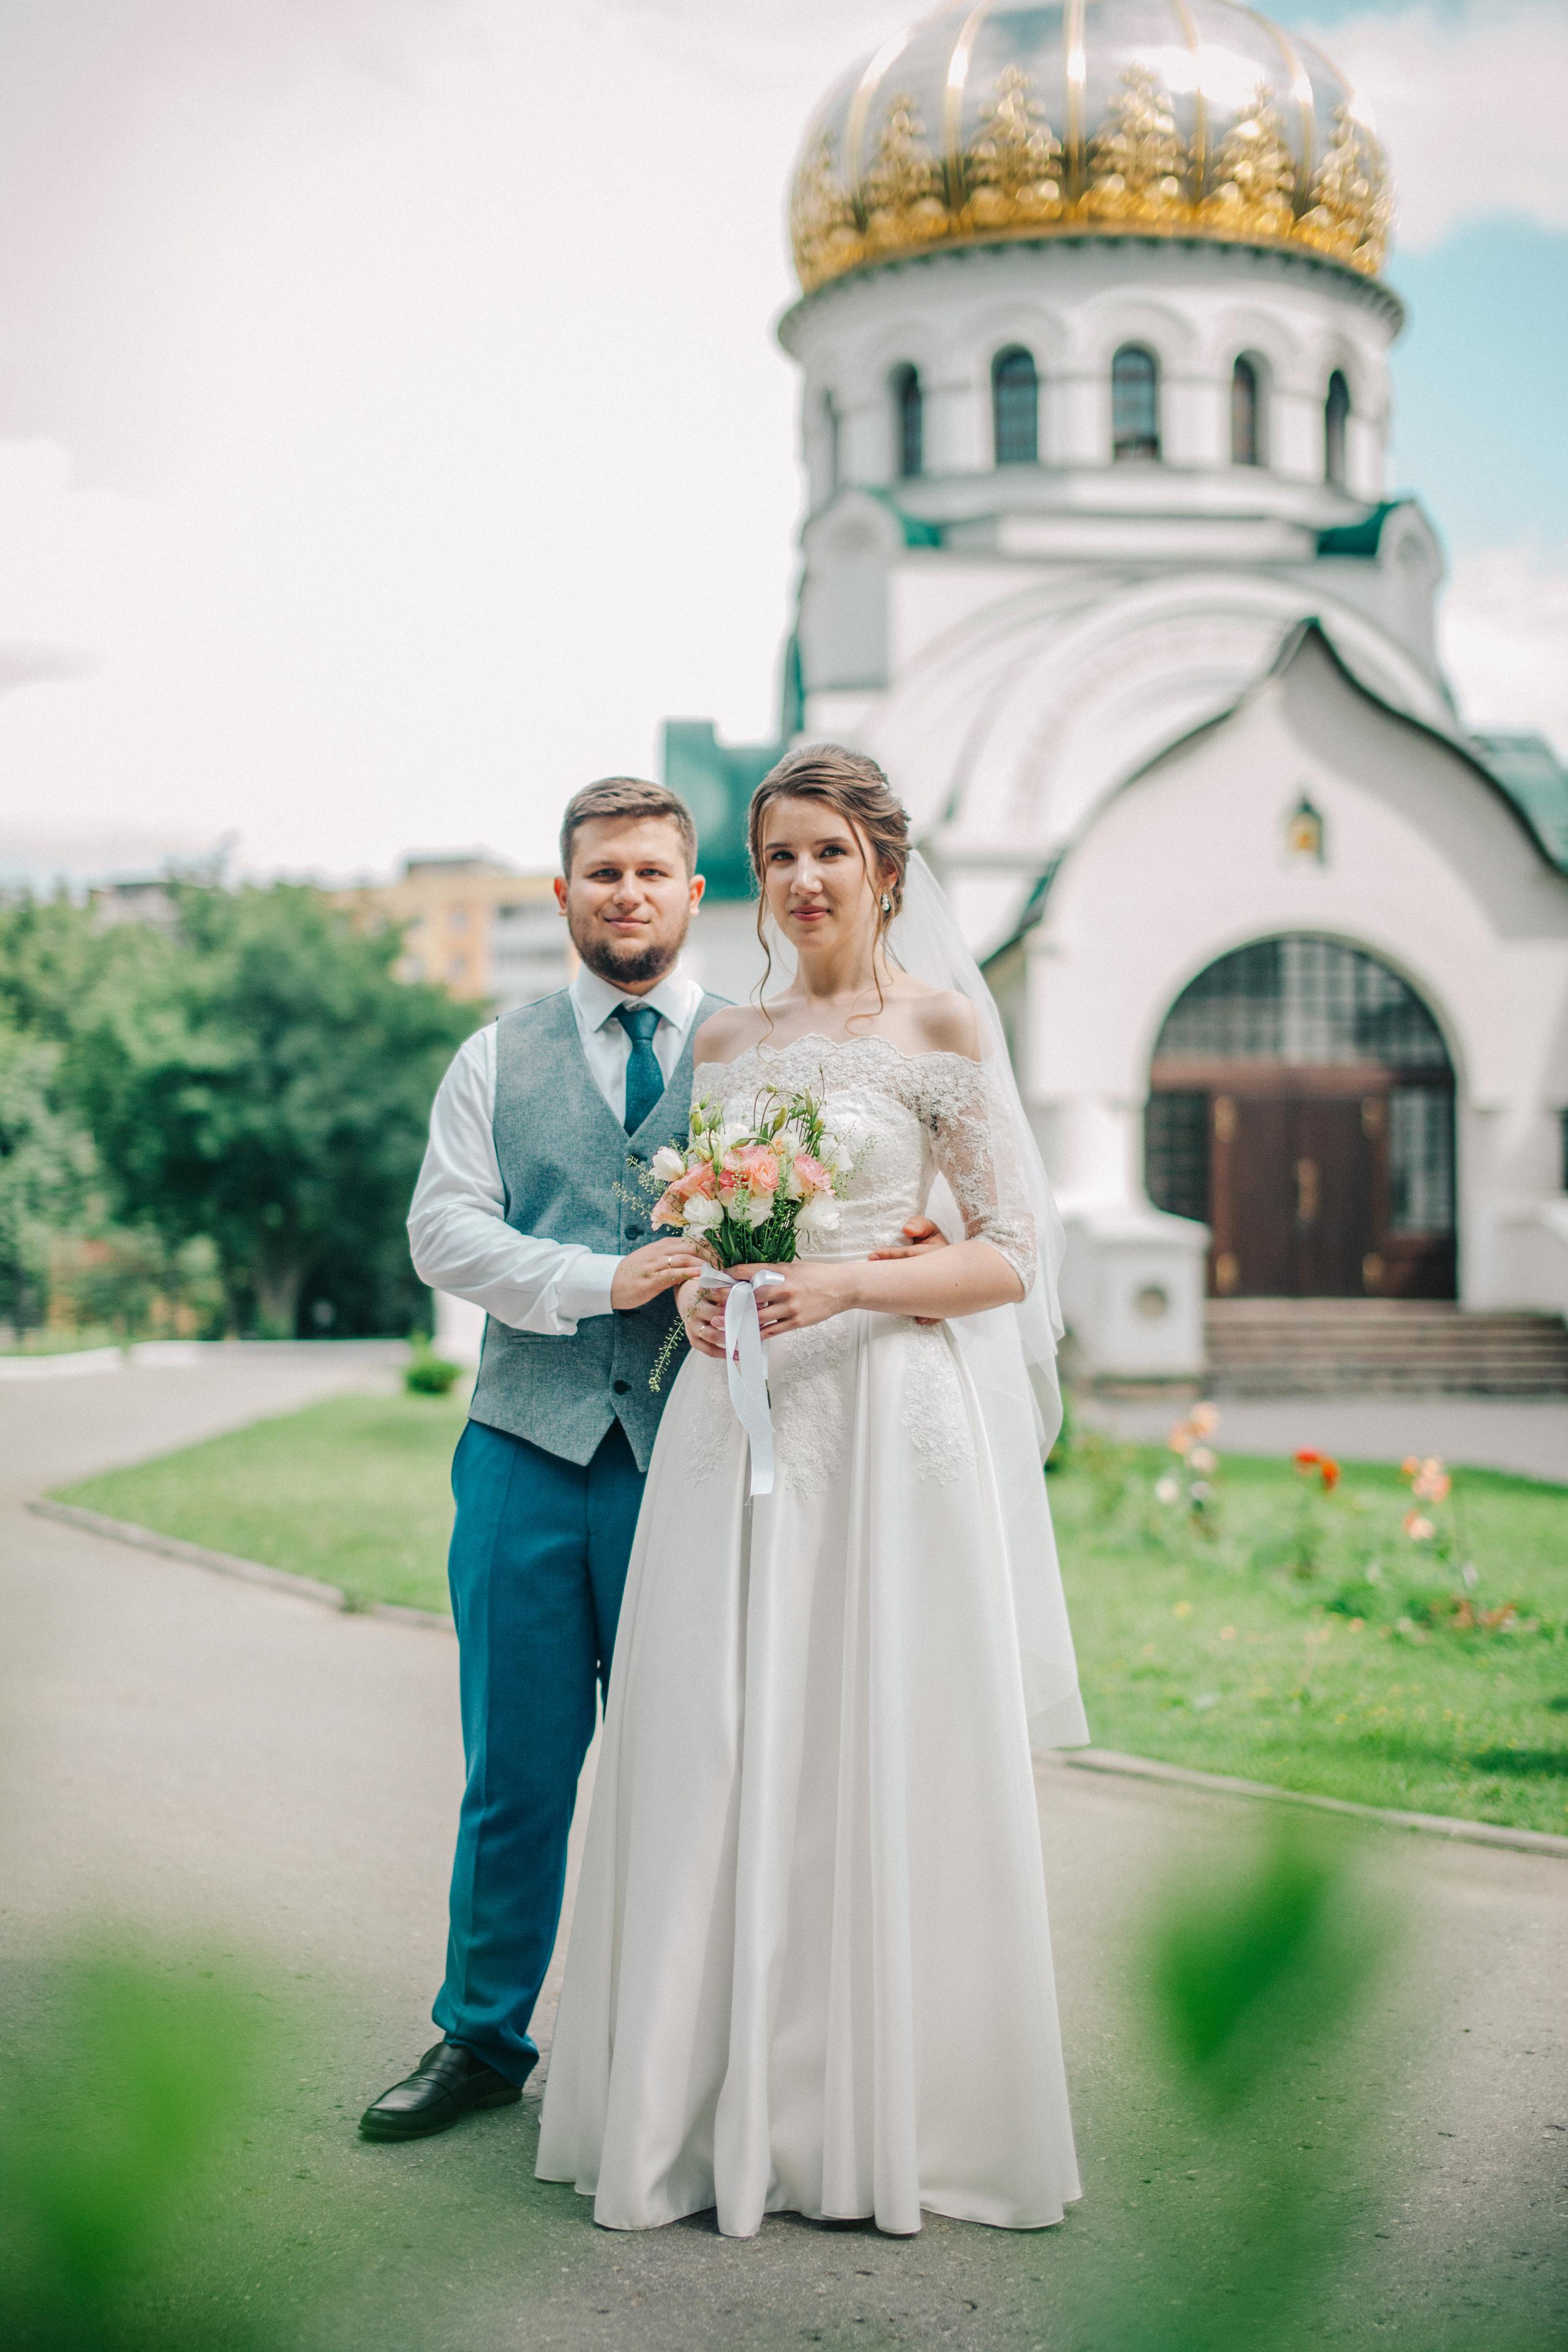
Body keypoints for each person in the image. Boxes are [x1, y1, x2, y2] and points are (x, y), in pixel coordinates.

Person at [537, 745, 1088, 2237]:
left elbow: (1013, 1255)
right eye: (778, 855)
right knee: (718, 1734)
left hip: (885, 1419)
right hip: (739, 1423)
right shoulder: (728, 1048)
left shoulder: (937, 1021)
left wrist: (843, 1281)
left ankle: (876, 2113)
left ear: (883, 867)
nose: (801, 880)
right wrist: (708, 1302)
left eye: (828, 852)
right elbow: (715, 1246)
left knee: (867, 1731)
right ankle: (706, 2108)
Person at [361, 774, 941, 2141]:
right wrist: (602, 1277)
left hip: (702, 1451)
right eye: (600, 874)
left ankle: (691, 2052)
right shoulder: (492, 1058)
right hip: (522, 1449)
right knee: (516, 1769)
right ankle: (483, 2039)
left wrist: (897, 1247)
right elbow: (443, 1237)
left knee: (712, 1758)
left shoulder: (754, 1050)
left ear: (695, 896)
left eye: (652, 874)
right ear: (563, 895)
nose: (627, 895)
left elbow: (867, 1181)